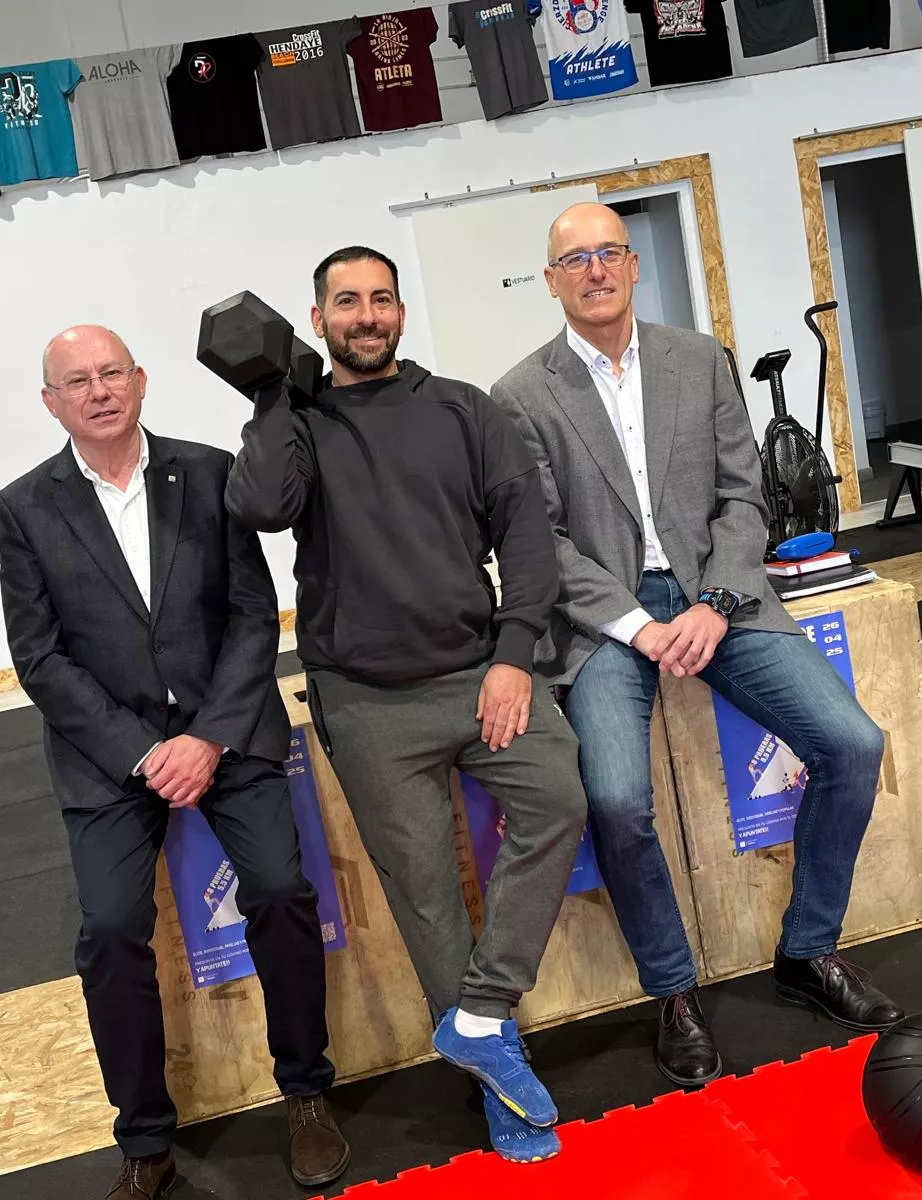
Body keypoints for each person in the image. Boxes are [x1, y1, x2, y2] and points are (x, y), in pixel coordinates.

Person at [490, 203, 903, 1091]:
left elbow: (742, 497)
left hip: (721, 598)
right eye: (575, 260)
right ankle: (674, 991)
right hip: (604, 620)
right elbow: (543, 543)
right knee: (616, 797)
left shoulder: (698, 360)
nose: (595, 270)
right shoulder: (520, 395)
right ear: (552, 280)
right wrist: (638, 625)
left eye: (608, 253)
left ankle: (808, 952)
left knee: (855, 743)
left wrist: (716, 601)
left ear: (633, 266)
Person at [225, 248, 588, 1164]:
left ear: (399, 311)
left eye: (381, 298)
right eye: (346, 301)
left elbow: (526, 538)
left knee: (560, 801)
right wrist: (272, 394)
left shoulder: (465, 408)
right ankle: (502, 1085)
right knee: (428, 900)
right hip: (367, 701)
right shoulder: (299, 424)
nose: (367, 315)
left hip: (480, 674)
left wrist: (513, 657)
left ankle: (480, 1016)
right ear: (317, 320)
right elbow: (264, 507)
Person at [0, 326, 349, 1198]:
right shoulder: (22, 506)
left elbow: (251, 613)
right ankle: (145, 1140)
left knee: (279, 890)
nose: (98, 390)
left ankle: (306, 1091)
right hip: (109, 758)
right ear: (52, 403)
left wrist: (209, 738)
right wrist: (145, 752)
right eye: (76, 381)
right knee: (110, 932)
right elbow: (39, 657)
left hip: (225, 735)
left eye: (112, 372)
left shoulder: (211, 469)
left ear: (142, 381)